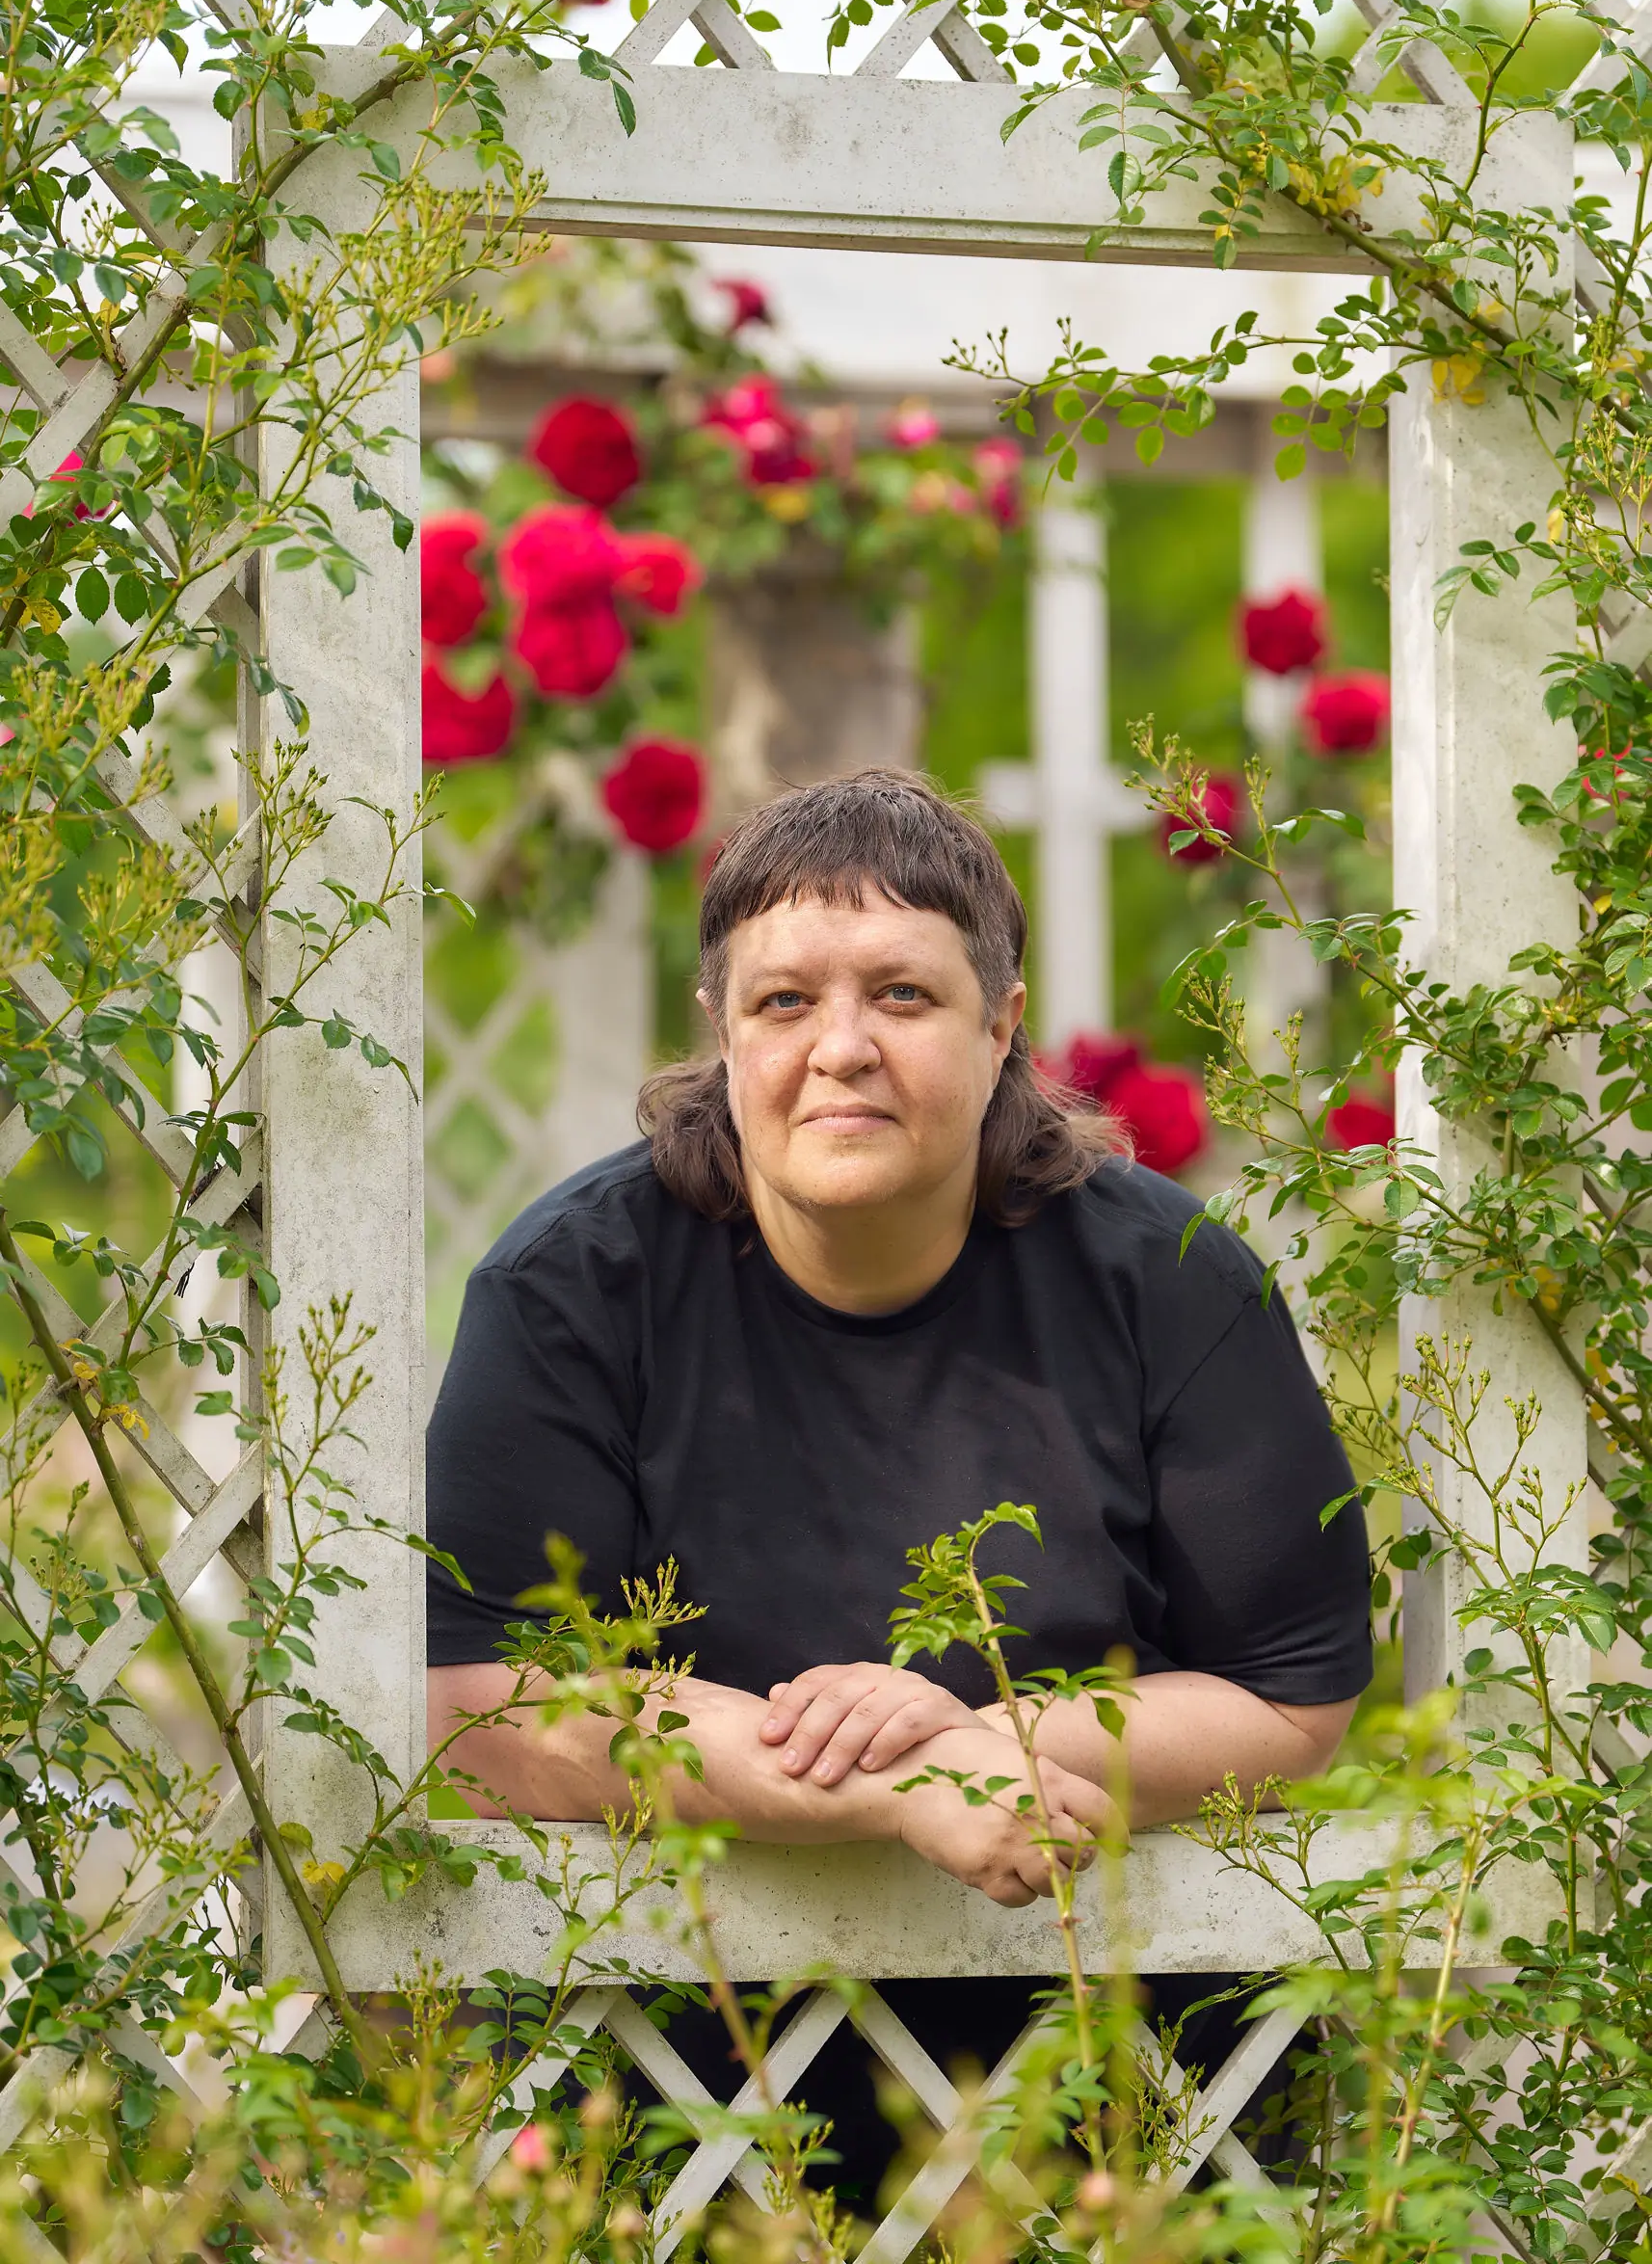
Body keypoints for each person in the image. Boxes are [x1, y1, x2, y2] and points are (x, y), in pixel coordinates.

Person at [424, 767, 1372, 2195]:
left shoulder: (1167, 1283)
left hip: (1134, 2071)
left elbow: (1295, 1697)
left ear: (1002, 1030)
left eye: (904, 997)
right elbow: (488, 1708)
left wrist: (1008, 1733)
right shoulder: (573, 1289)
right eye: (784, 1001)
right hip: (685, 2085)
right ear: (721, 1031)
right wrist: (907, 1783)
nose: (840, 1048)